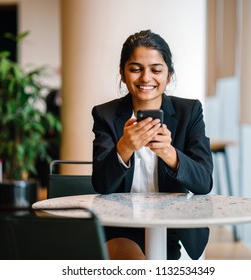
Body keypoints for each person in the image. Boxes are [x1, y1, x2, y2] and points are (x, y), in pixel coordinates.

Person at [91, 30, 213, 260]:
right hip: (119, 227)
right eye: (135, 69)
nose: (146, 78)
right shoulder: (105, 114)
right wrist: (124, 147)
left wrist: (168, 153)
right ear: (122, 73)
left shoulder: (190, 112)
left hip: (170, 229)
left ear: (169, 75)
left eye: (156, 70)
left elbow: (204, 182)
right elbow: (101, 184)